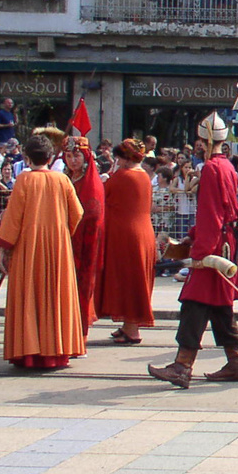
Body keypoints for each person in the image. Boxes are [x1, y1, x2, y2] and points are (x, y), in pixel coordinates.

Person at [148, 113, 238, 387]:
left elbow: (212, 213)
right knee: (219, 308)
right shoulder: (226, 166)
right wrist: (192, 237)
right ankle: (236, 362)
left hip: (214, 245)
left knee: (194, 303)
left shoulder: (211, 168)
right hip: (223, 241)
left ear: (204, 139)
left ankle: (182, 366)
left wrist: (200, 251)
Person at [0, 134, 85, 370]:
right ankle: (58, 349)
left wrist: (4, 248)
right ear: (50, 156)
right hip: (58, 246)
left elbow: (13, 218)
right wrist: (62, 234)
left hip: (28, 246)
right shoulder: (63, 180)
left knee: (29, 295)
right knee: (56, 294)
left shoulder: (24, 180)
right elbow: (77, 213)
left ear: (27, 157)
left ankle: (29, 351)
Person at [97, 139, 156, 345]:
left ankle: (132, 329)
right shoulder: (144, 176)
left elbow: (102, 194)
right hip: (143, 233)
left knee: (127, 280)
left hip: (126, 236)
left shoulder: (122, 176)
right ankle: (128, 326)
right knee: (136, 278)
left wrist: (107, 176)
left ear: (124, 158)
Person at [63, 138, 105, 337]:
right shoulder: (65, 179)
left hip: (84, 242)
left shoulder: (91, 182)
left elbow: (93, 213)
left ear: (86, 157)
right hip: (66, 241)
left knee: (82, 285)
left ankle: (80, 333)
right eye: (69, 156)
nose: (73, 160)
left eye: (77, 155)